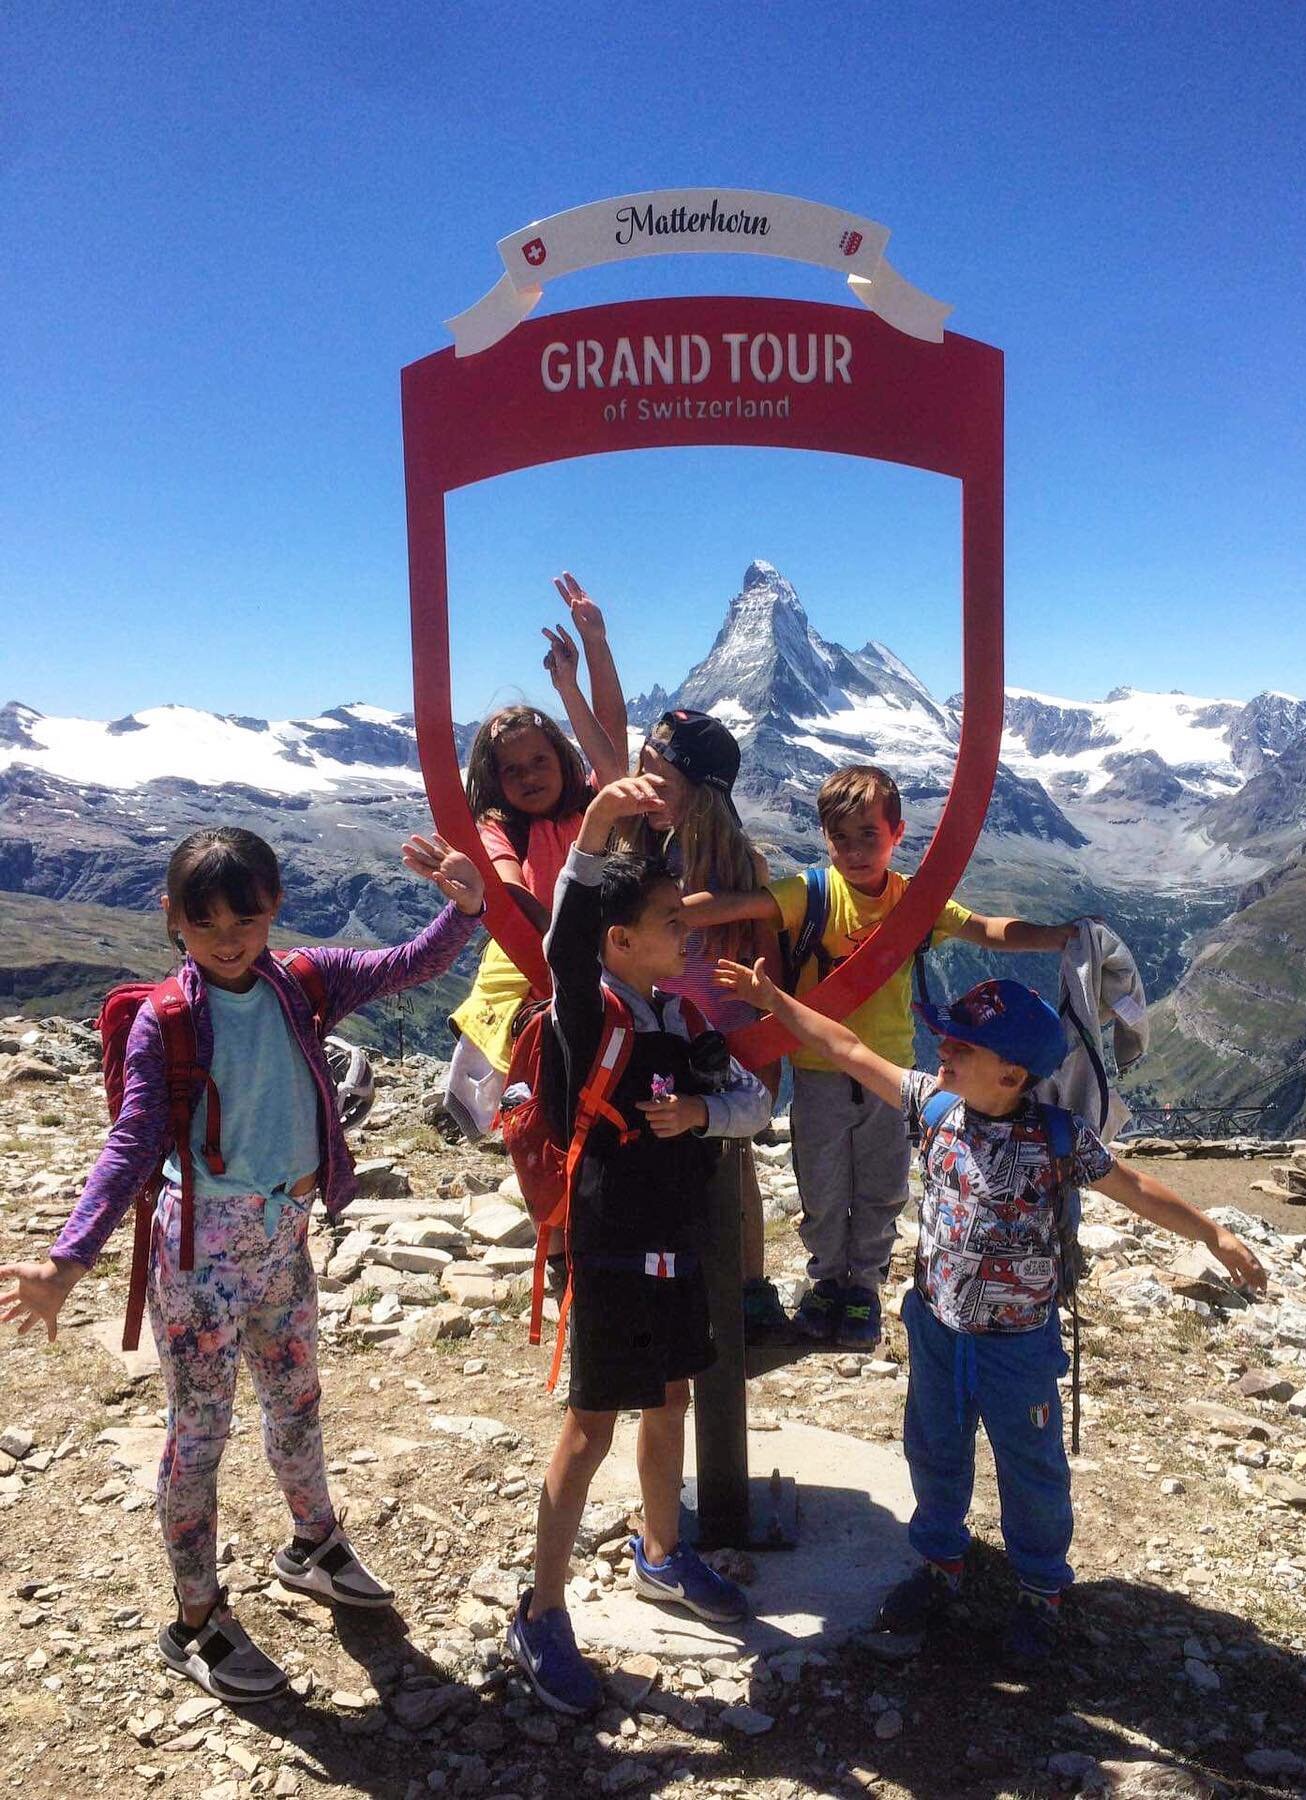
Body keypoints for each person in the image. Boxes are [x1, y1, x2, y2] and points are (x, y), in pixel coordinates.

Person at [0, 825, 487, 1701]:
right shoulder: (169, 1021)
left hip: (283, 1243)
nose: (227, 936)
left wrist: (465, 906)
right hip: (201, 1263)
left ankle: (313, 1544)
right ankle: (194, 1622)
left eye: (245, 916)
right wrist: (67, 1260)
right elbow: (133, 1142)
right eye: (205, 920)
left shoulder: (301, 982)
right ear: (173, 920)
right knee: (200, 1436)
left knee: (297, 1401)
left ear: (274, 909)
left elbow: (409, 964)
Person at [714, 959, 1268, 1664]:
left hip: (1018, 1345)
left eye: (961, 1045)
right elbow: (846, 1049)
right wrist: (773, 1000)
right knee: (933, 1450)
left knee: (1030, 1467)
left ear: (1011, 1075)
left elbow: (1135, 1188)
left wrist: (1211, 1234)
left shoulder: (1060, 1138)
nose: (939, 1050)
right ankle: (941, 1564)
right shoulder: (934, 1105)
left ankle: (1040, 1589)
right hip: (939, 1330)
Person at [508, 776, 772, 1716]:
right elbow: (563, 941)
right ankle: (540, 1611)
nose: (688, 933)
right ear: (620, 942)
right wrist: (593, 828)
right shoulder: (589, 1011)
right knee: (590, 1427)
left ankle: (661, 1555)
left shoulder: (683, 1020)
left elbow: (756, 1104)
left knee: (669, 1399)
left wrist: (706, 1110)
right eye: (670, 921)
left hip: (673, 1242)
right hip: (611, 1243)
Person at [685, 763, 1083, 1349]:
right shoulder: (812, 892)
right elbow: (741, 905)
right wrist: (657, 910)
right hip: (821, 1072)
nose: (853, 850)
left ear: (896, 834)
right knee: (821, 1188)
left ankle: (862, 1290)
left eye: (868, 835)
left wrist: (1060, 935)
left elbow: (986, 930)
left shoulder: (914, 902)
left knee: (881, 1187)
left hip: (890, 1079)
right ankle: (827, 1284)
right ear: (825, 838)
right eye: (840, 837)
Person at [619, 708, 789, 1344]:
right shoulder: (653, 851)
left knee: (731, 1161)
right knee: (678, 1155)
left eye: (659, 776)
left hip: (727, 1040)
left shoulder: (739, 864)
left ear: (701, 788)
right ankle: (692, 1279)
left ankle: (746, 1286)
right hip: (669, 1031)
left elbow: (768, 956)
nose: (644, 788)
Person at [448, 573, 629, 1120]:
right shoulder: (499, 827)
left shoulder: (591, 804)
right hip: (535, 957)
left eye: (540, 762)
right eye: (512, 770)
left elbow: (613, 749)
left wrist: (590, 654)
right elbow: (508, 895)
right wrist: (562, 949)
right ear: (494, 779)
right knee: (546, 1090)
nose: (528, 776)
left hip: (604, 952)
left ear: (562, 761)